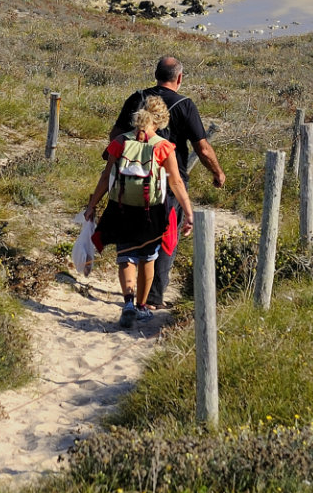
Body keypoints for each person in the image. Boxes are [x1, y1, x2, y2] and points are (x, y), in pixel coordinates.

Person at [110, 56, 224, 310]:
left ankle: (131, 297)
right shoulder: (184, 104)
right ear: (179, 78)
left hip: (132, 179)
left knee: (131, 240)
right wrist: (218, 173)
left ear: (155, 74)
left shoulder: (136, 98)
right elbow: (202, 149)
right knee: (164, 239)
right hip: (168, 183)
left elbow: (115, 135)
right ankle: (151, 299)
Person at [85, 94, 195, 328]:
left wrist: (92, 205)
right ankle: (142, 307)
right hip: (151, 211)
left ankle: (127, 303)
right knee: (148, 259)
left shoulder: (120, 142)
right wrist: (189, 213)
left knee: (126, 257)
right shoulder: (164, 147)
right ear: (160, 120)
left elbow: (106, 178)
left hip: (121, 207)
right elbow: (176, 183)